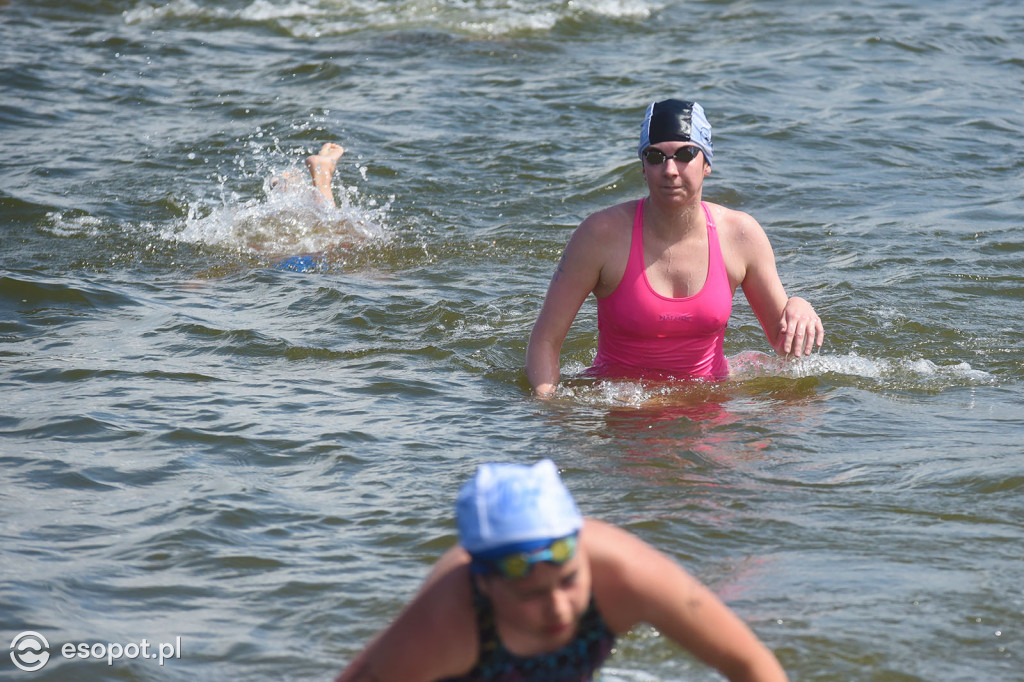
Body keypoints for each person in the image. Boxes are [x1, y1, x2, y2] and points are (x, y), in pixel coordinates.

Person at [334, 459, 789, 682]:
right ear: (485, 583)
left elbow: (750, 663)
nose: (558, 607)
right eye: (531, 594)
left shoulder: (627, 574)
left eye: (570, 581)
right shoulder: (446, 624)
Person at [526, 99, 824, 396]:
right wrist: (549, 408)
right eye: (655, 156)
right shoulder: (600, 235)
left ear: (706, 163)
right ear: (642, 167)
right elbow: (545, 340)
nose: (669, 169)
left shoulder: (741, 235)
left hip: (711, 411)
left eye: (685, 154)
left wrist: (799, 305)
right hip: (623, 415)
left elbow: (784, 345)